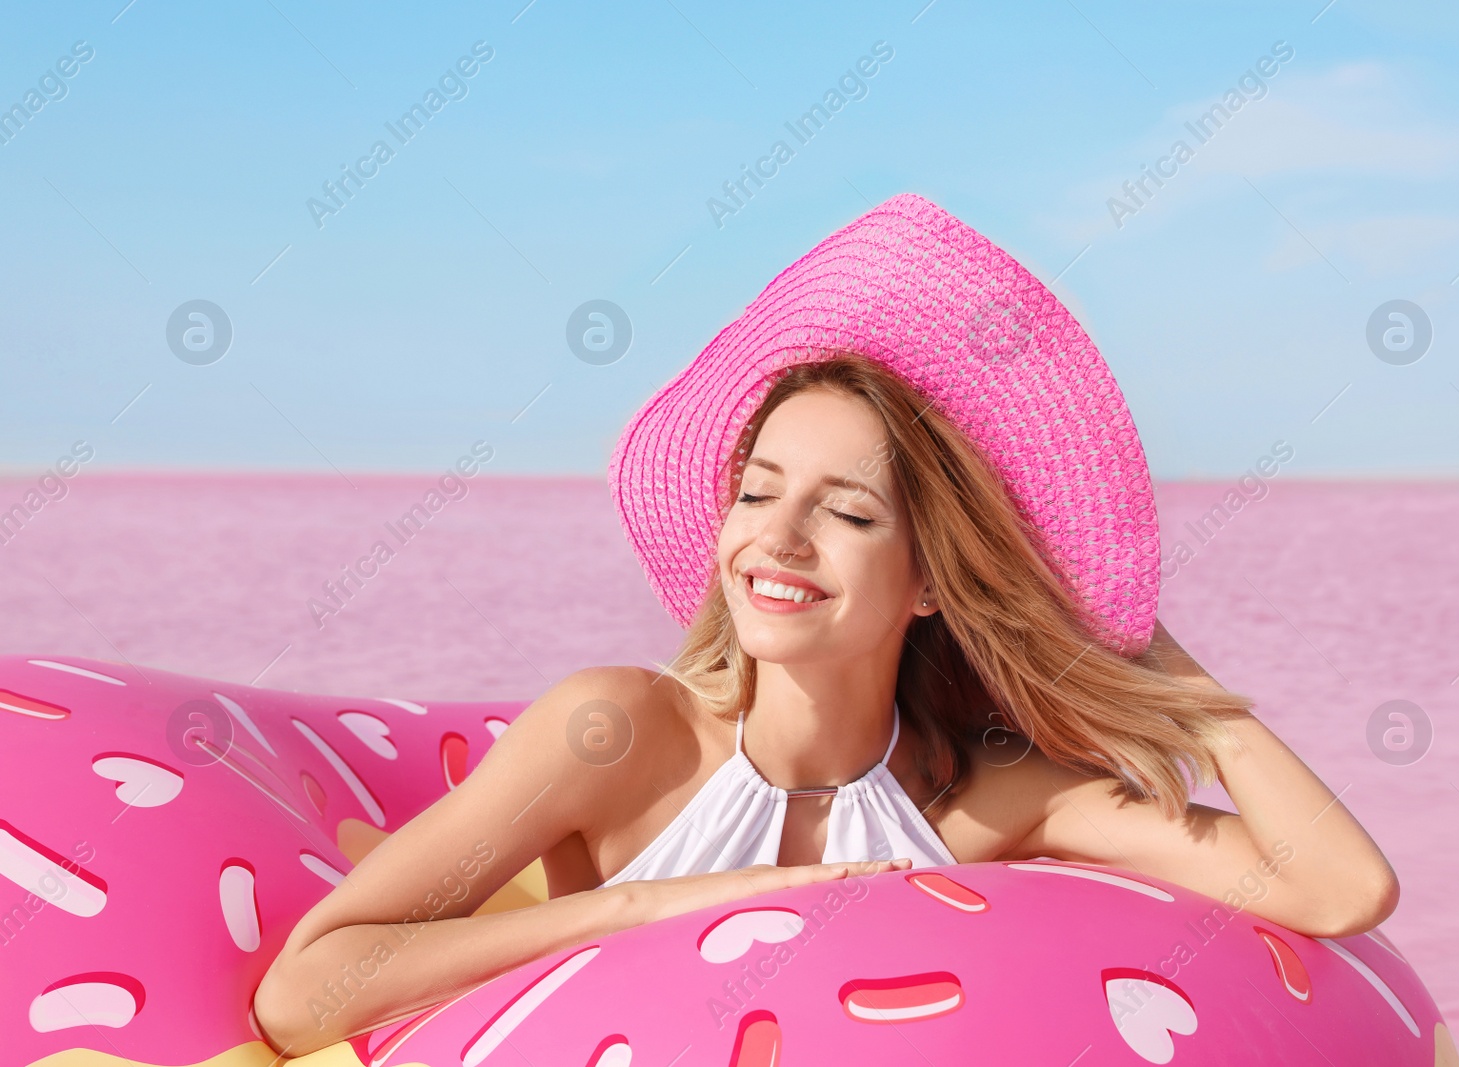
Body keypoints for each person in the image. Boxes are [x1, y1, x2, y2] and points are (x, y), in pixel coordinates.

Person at [253, 195, 1398, 1055]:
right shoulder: (620, 733)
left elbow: (1333, 889)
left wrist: (1142, 651)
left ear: (929, 581)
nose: (777, 537)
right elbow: (306, 987)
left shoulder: (979, 794)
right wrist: (654, 904)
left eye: (845, 510)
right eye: (756, 491)